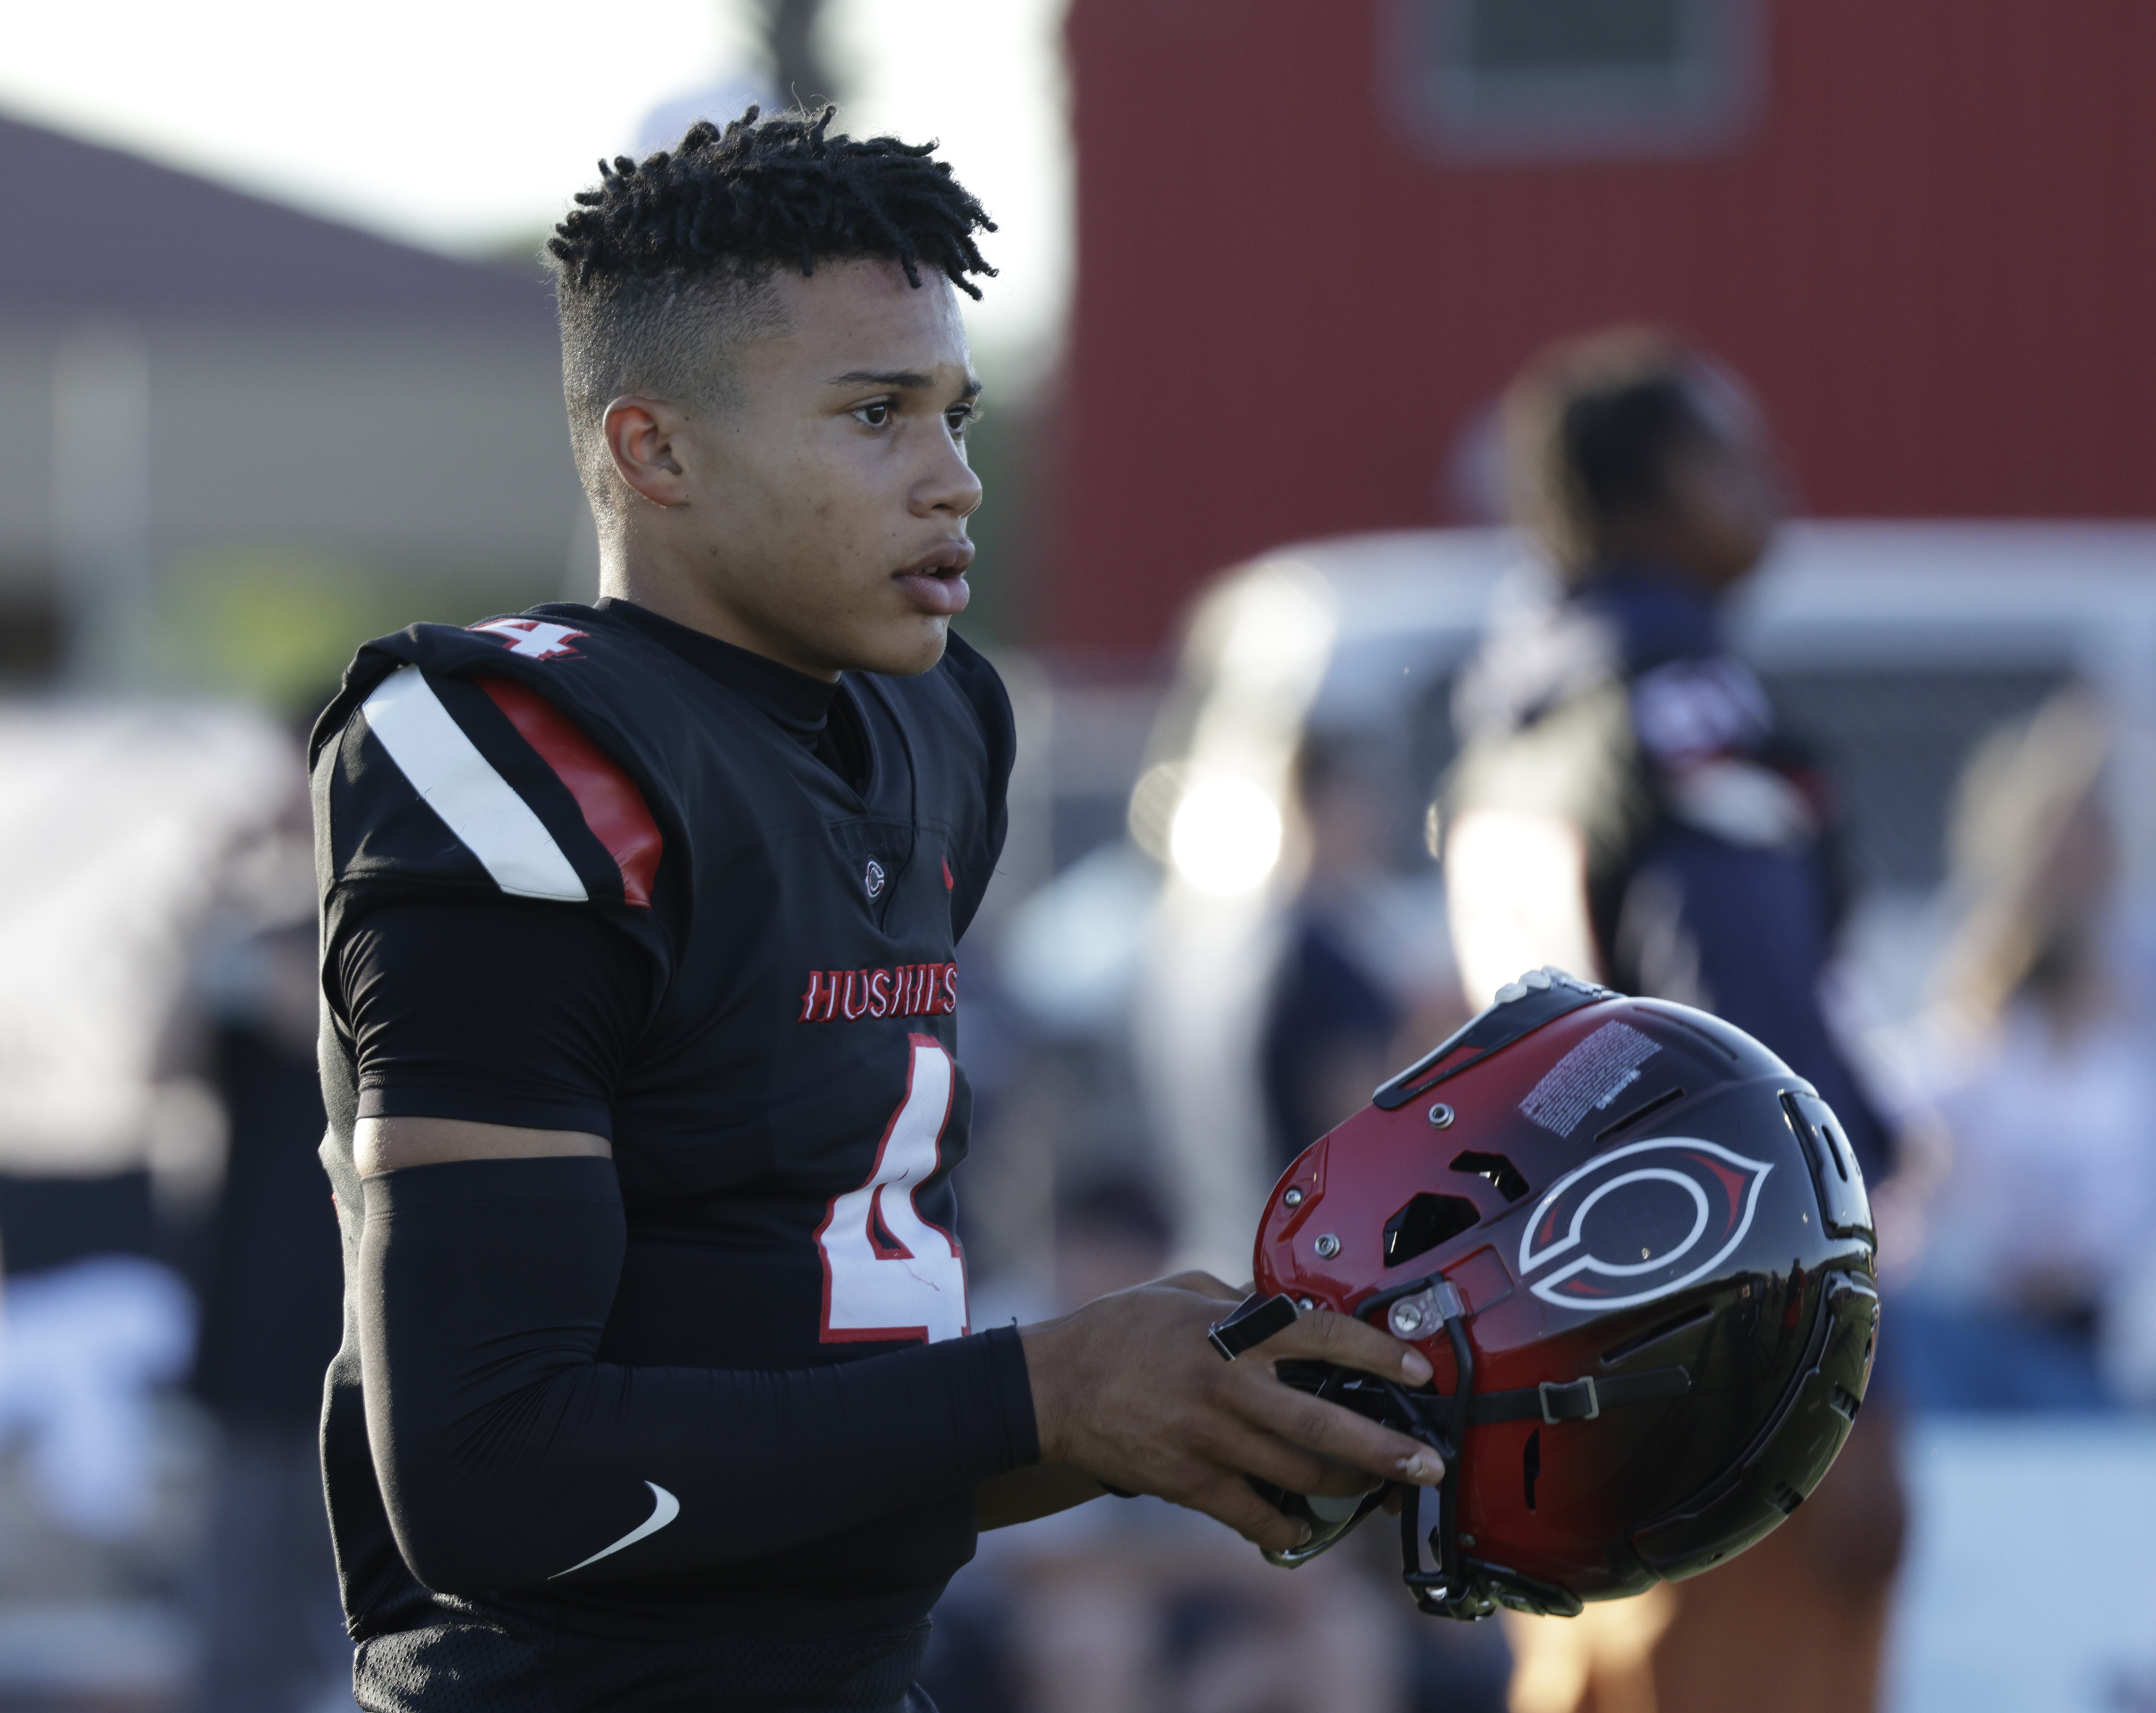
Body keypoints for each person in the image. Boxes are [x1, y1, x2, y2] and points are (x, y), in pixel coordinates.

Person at [308, 107, 1444, 1712]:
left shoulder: (935, 726)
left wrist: (1169, 1416)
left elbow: (838, 1407)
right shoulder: (523, 756)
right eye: (872, 415)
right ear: (656, 450)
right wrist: (1046, 1393)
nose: (950, 480)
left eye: (956, 416)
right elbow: (492, 1476)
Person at [1438, 329, 1904, 1713]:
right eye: (1729, 455)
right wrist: (1858, 1386)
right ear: (1644, 491)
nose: (1772, 483)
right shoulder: (1683, 711)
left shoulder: (1510, 717)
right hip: (1721, 1354)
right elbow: (1758, 1083)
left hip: (1543, 1347)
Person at [1898, 690, 2156, 1409]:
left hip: (2111, 1350)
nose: (2071, 856)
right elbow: (1922, 1121)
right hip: (1987, 1331)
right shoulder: (1978, 979)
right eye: (2054, 833)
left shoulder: (2139, 977)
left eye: (2088, 832)